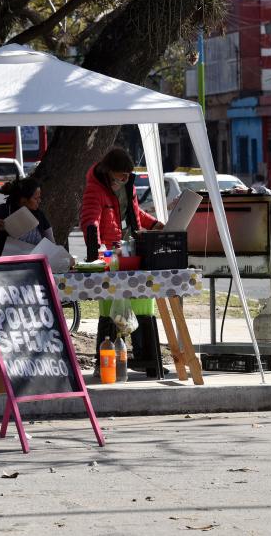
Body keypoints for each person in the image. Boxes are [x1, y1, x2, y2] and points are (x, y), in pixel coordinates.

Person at [80, 147, 164, 376]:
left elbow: (136, 215)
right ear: (108, 171)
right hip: (111, 254)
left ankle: (147, 358)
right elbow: (90, 219)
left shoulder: (130, 186)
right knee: (110, 312)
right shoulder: (95, 190)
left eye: (128, 175)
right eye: (121, 175)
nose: (125, 179)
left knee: (143, 307)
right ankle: (107, 362)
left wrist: (155, 224)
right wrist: (95, 246)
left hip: (134, 251)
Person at [0, 177, 54, 256]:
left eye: (39, 197)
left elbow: (51, 245)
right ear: (23, 200)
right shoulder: (0, 212)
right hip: (4, 265)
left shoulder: (39, 215)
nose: (39, 201)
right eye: (35, 198)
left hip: (34, 265)